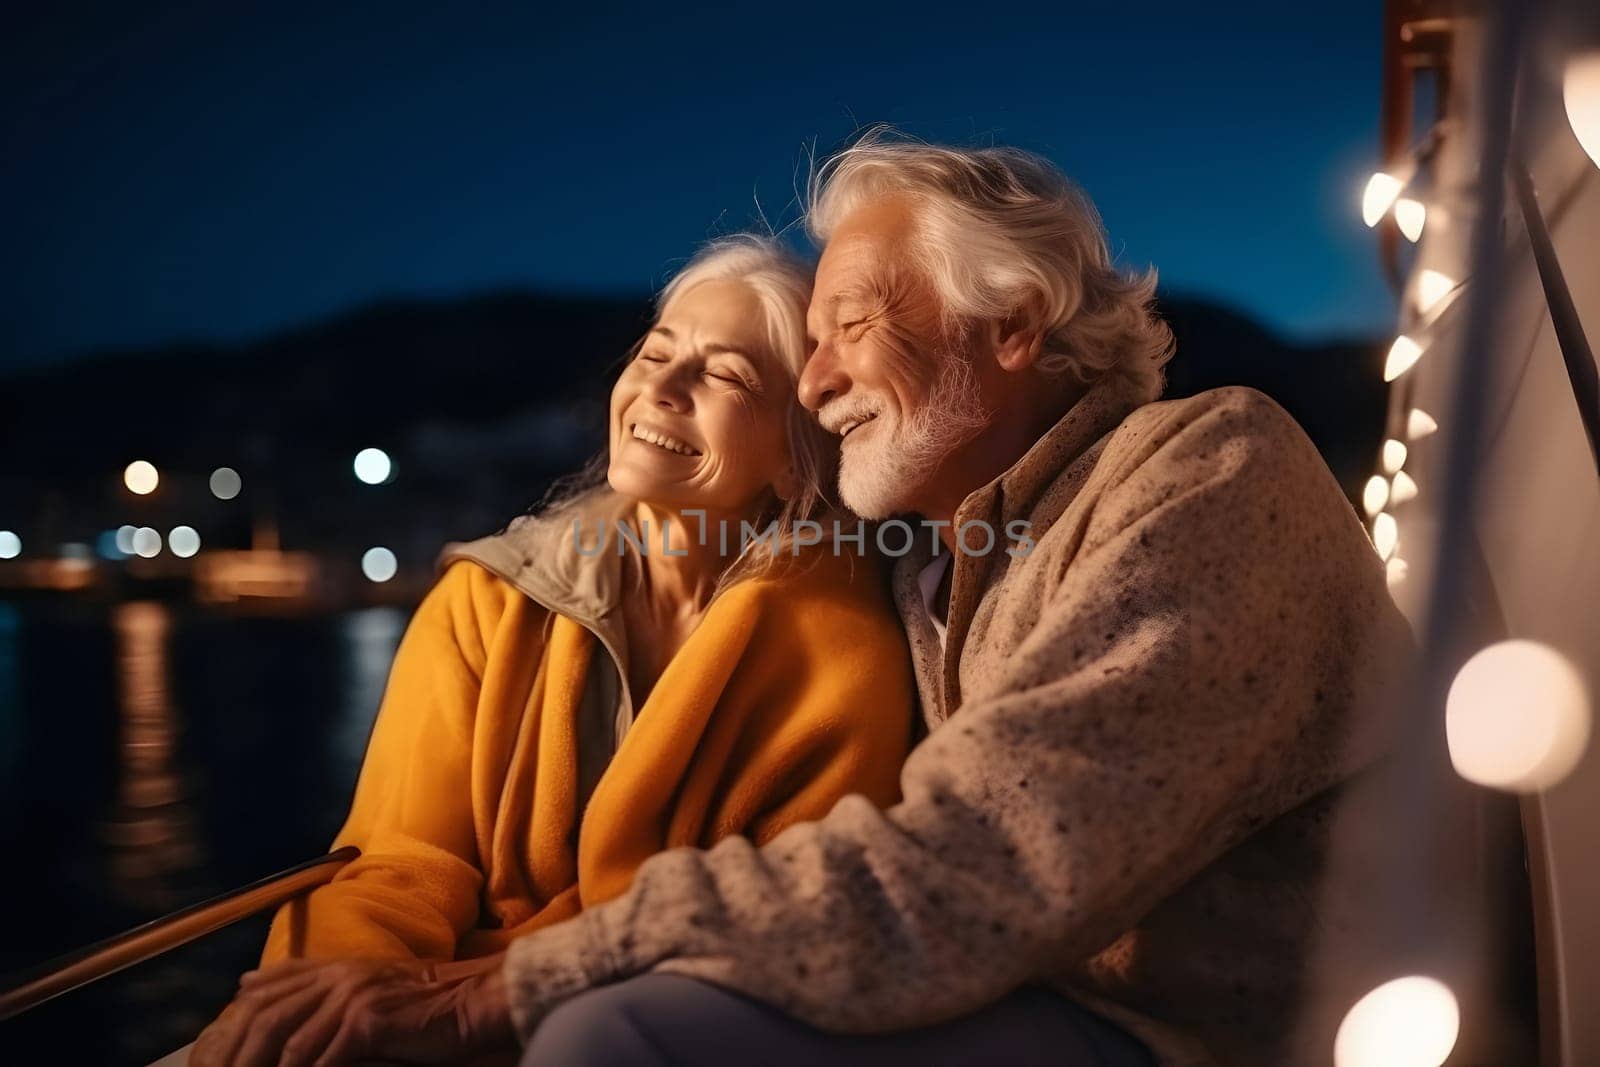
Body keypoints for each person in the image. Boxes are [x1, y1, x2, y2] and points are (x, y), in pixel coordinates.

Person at [198, 130, 1416, 1067]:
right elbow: (397, 855)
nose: (819, 380)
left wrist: (503, 985)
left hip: (1202, 1037)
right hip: (1047, 994)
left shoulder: (1210, 466)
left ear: (1010, 324)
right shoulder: (940, 569)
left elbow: (984, 845)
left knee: (612, 1038)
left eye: (845, 327)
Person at [186, 235, 916, 1066]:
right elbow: (399, 861)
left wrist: (488, 991)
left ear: (793, 457)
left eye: (723, 375)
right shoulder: (486, 601)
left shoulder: (843, 653)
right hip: (442, 1008)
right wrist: (336, 1000)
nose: (662, 390)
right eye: (654, 353)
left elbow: (770, 924)